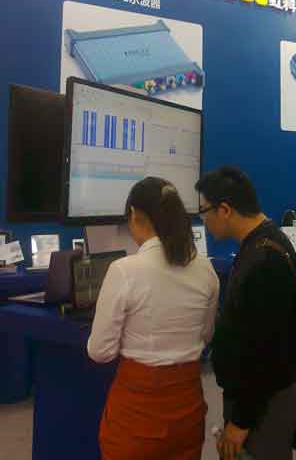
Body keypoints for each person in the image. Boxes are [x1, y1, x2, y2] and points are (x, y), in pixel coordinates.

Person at [87, 177, 219, 460]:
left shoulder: (124, 270)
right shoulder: (205, 268)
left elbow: (100, 351)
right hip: (189, 407)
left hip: (138, 413)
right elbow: (206, 334)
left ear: (134, 214)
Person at [195, 165, 296, 460]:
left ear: (225, 210)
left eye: (204, 212)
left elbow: (266, 351)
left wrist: (241, 421)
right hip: (257, 399)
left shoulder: (265, 259)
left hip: (264, 405)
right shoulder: (260, 243)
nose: (204, 221)